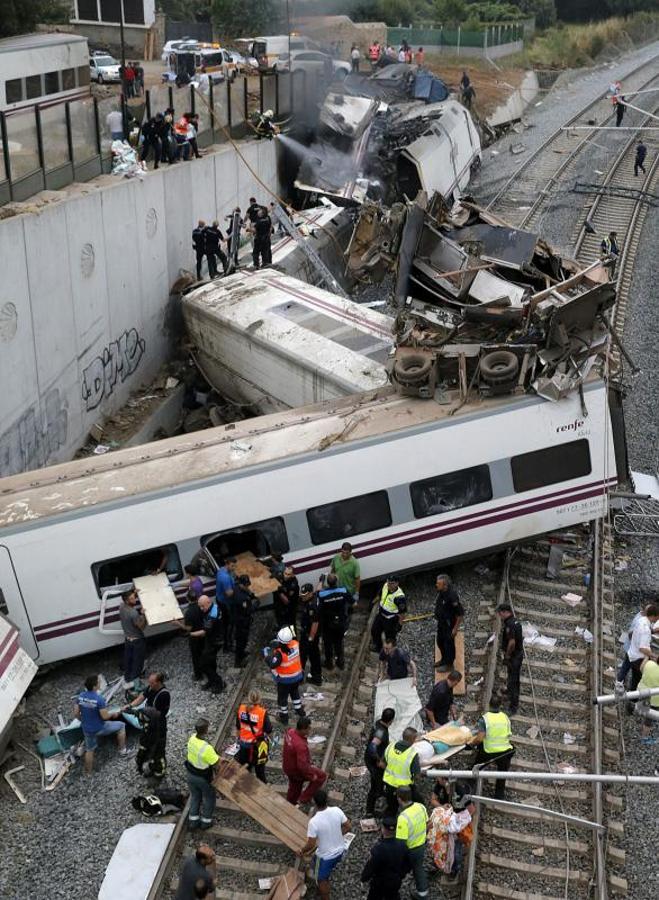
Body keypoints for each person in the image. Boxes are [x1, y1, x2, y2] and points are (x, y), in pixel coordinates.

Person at [75, 674, 133, 773]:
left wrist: (84, 721)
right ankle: (122, 750)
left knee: (89, 750)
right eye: (98, 682)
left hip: (87, 729)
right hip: (99, 728)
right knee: (121, 726)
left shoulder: (80, 697)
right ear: (94, 686)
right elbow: (105, 717)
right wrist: (113, 714)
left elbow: (76, 714)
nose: (100, 683)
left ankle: (88, 772)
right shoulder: (99, 699)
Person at [301, 788, 350, 898]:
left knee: (321, 879)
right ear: (327, 800)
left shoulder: (314, 822)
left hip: (325, 857)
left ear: (314, 802)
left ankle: (325, 896)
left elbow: (311, 844)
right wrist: (337, 834)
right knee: (315, 864)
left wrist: (302, 850)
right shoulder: (337, 810)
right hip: (340, 851)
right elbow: (348, 826)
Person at [468, 693, 514, 800]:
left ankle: (469, 784)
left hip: (489, 750)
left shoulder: (485, 719)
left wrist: (470, 744)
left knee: (476, 767)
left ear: (489, 705)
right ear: (500, 705)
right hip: (505, 751)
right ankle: (499, 796)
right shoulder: (505, 717)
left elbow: (479, 738)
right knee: (502, 773)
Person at [126, 671, 171, 778]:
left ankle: (159, 772)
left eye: (151, 682)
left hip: (158, 726)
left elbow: (156, 714)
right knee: (144, 745)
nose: (149, 684)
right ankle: (144, 764)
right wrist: (130, 706)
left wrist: (139, 714)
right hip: (147, 724)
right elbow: (142, 697)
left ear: (158, 682)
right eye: (149, 682)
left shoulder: (164, 695)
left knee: (158, 749)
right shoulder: (151, 688)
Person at [427, 783, 474, 879]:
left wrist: (456, 820)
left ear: (444, 779)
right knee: (440, 847)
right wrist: (442, 807)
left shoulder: (460, 791)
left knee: (456, 851)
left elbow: (472, 810)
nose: (437, 780)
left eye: (439, 778)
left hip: (456, 828)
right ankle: (439, 865)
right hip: (445, 826)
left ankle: (455, 869)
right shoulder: (440, 785)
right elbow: (433, 800)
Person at [263, 625, 305, 723]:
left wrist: (266, 656)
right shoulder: (295, 644)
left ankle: (284, 717)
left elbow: (273, 664)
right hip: (297, 676)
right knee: (295, 693)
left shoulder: (280, 653)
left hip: (284, 680)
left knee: (282, 698)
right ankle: (300, 711)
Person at [283, 715, 328, 806]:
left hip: (288, 766)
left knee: (294, 787)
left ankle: (291, 802)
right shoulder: (300, 746)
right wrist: (311, 776)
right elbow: (302, 766)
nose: (309, 730)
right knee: (320, 777)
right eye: (308, 729)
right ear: (303, 729)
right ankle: (301, 800)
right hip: (296, 771)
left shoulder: (290, 732)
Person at [360, 814, 407, 899]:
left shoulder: (379, 849)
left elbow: (371, 867)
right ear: (396, 829)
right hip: (395, 881)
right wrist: (401, 875)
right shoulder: (403, 845)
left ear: (383, 829)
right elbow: (408, 863)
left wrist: (364, 877)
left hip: (380, 883)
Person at [395, 785, 429, 900]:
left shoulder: (403, 818)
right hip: (422, 844)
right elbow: (427, 823)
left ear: (399, 799)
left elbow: (400, 843)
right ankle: (423, 893)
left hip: (411, 850)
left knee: (399, 871)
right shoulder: (420, 807)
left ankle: (391, 891)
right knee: (418, 868)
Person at [185, 718, 219, 830]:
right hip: (202, 777)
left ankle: (193, 822)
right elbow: (216, 763)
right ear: (206, 730)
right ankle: (206, 822)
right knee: (209, 797)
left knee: (195, 796)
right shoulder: (207, 749)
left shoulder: (192, 739)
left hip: (190, 774)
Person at [381, 726, 421, 815]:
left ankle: (390, 819)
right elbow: (417, 775)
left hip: (388, 782)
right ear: (412, 739)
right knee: (412, 803)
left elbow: (382, 764)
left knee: (391, 804)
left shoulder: (390, 746)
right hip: (404, 787)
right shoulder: (412, 753)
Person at [236, 689, 272, 782]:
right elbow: (268, 729)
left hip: (243, 745)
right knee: (259, 769)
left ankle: (246, 784)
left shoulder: (241, 708)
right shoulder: (262, 712)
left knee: (245, 768)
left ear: (248, 698)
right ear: (259, 699)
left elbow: (238, 726)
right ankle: (262, 786)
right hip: (257, 746)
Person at [364, 707, 395, 815]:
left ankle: (380, 796)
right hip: (374, 763)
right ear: (391, 721)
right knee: (375, 786)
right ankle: (370, 810)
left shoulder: (378, 724)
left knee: (379, 784)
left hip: (372, 760)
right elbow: (372, 748)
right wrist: (379, 760)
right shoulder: (381, 732)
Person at [317, 573, 351, 670]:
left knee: (327, 644)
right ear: (337, 581)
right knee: (339, 643)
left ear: (327, 583)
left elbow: (317, 593)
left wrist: (320, 581)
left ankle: (329, 663)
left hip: (327, 624)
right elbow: (354, 603)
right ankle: (340, 662)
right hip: (340, 622)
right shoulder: (343, 591)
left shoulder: (323, 594)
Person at [496, 603, 524, 714]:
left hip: (514, 657)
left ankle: (513, 706)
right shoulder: (515, 621)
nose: (500, 616)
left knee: (513, 680)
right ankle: (508, 692)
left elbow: (512, 643)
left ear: (504, 612)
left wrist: (507, 656)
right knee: (511, 676)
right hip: (517, 655)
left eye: (500, 614)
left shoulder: (510, 625)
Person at [627, 604, 659, 696]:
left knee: (635, 679)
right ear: (653, 616)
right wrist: (654, 656)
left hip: (633, 653)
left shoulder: (641, 620)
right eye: (657, 617)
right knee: (640, 680)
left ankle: (631, 696)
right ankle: (634, 699)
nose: (657, 619)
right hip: (638, 658)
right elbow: (642, 648)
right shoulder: (645, 629)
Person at [434, 574, 464, 673]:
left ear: (445, 585)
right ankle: (443, 660)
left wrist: (455, 629)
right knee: (440, 642)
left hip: (449, 625)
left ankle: (449, 665)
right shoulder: (441, 592)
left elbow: (460, 614)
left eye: (438, 583)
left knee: (449, 645)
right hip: (441, 623)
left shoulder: (452, 596)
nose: (436, 585)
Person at [197, 595, 225, 694]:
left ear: (208, 602)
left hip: (215, 641)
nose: (201, 609)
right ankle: (212, 681)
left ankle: (218, 682)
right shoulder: (213, 607)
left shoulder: (213, 614)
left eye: (202, 606)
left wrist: (190, 634)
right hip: (212, 639)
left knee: (203, 664)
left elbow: (205, 631)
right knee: (211, 661)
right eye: (200, 606)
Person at [371, 575, 406, 652]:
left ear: (397, 583)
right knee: (374, 630)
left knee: (390, 638)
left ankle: (390, 652)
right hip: (381, 615)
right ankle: (378, 646)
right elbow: (380, 595)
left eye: (392, 583)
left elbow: (402, 613)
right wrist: (373, 602)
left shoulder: (399, 597)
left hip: (390, 620)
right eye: (388, 582)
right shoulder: (385, 586)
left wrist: (400, 624)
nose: (389, 585)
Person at [120, 587, 146, 687]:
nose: (135, 599)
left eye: (134, 597)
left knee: (129, 660)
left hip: (128, 639)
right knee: (137, 663)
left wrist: (134, 592)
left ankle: (127, 678)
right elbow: (141, 627)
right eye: (132, 598)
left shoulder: (121, 607)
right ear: (126, 600)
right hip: (137, 641)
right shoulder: (133, 613)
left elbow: (127, 597)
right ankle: (135, 684)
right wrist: (143, 615)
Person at [299, 582, 323, 686]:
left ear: (309, 594)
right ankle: (316, 676)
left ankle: (300, 678)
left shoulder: (312, 606)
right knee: (314, 655)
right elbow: (318, 589)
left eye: (304, 595)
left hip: (309, 635)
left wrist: (310, 637)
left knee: (304, 656)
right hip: (310, 634)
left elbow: (315, 623)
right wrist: (321, 580)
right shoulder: (315, 596)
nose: (302, 597)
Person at [233, 573, 258, 667]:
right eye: (246, 585)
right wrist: (256, 604)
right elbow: (248, 610)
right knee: (241, 641)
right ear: (241, 584)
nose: (247, 587)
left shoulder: (237, 588)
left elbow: (247, 593)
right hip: (242, 621)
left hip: (240, 619)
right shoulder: (241, 598)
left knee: (242, 640)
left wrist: (251, 595)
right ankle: (238, 662)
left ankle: (242, 654)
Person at [215, 557, 237, 651]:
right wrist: (238, 588)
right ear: (227, 564)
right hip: (226, 603)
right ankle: (228, 645)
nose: (234, 568)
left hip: (220, 599)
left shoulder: (221, 570)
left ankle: (226, 641)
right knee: (229, 623)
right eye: (232, 566)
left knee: (225, 622)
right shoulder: (225, 578)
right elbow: (229, 593)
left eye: (234, 566)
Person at [637, 657, 659, 743]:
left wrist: (646, 657)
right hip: (655, 700)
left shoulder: (649, 663)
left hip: (641, 691)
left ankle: (641, 712)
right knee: (650, 718)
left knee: (643, 706)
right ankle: (644, 737)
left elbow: (641, 668)